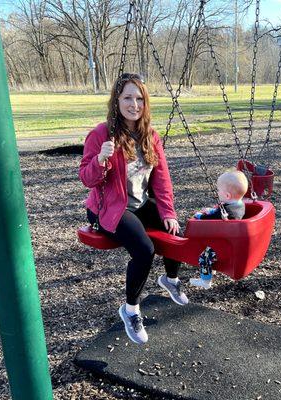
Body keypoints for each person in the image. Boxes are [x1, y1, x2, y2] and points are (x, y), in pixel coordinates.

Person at [79, 73, 188, 345]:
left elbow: (161, 179)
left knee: (174, 230)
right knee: (144, 249)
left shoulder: (150, 135)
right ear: (116, 100)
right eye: (127, 97)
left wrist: (168, 212)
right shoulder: (101, 134)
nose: (134, 104)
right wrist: (102, 159)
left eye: (139, 98)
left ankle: (171, 279)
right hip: (109, 208)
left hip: (138, 203)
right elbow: (86, 179)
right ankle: (130, 310)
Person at [189, 170, 248, 289]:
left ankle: (205, 281)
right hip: (230, 241)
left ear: (227, 196)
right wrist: (211, 210)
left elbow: (210, 219)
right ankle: (212, 268)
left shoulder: (226, 212)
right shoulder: (239, 205)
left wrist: (199, 216)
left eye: (218, 190)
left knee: (203, 257)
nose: (217, 192)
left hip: (223, 245)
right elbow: (218, 211)